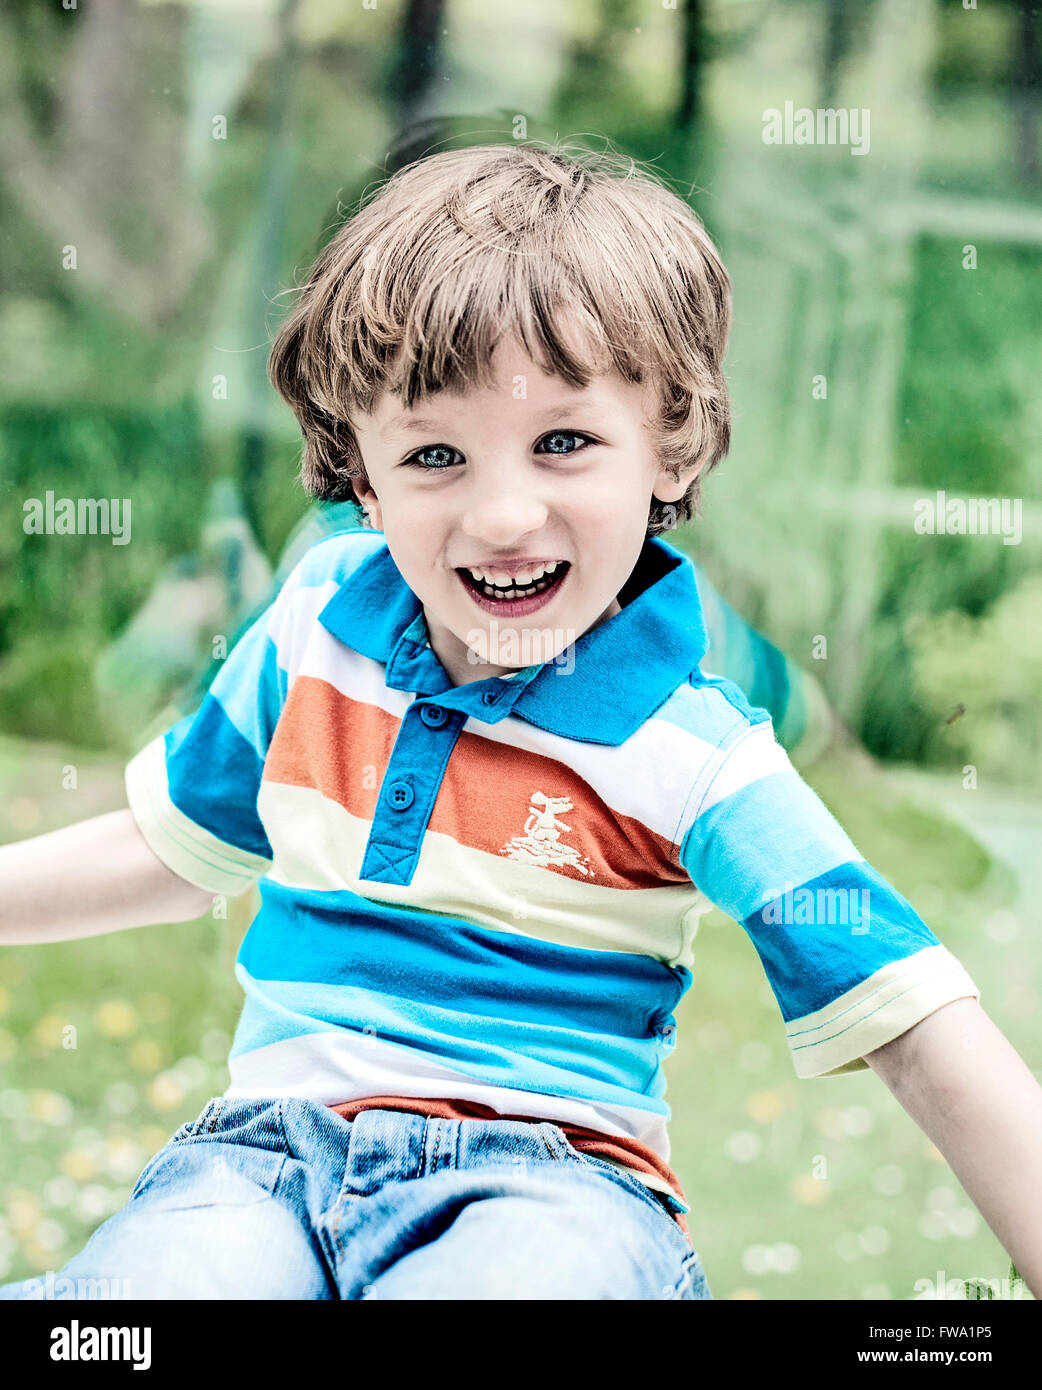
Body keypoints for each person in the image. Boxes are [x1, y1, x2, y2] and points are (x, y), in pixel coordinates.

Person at [2, 142, 1040, 1301]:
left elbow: (912, 1019)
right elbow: (168, 849)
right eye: (435, 453)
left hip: (558, 1187)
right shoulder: (312, 635)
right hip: (262, 1162)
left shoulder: (693, 757)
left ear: (670, 442)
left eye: (564, 442)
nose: (502, 513)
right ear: (362, 472)